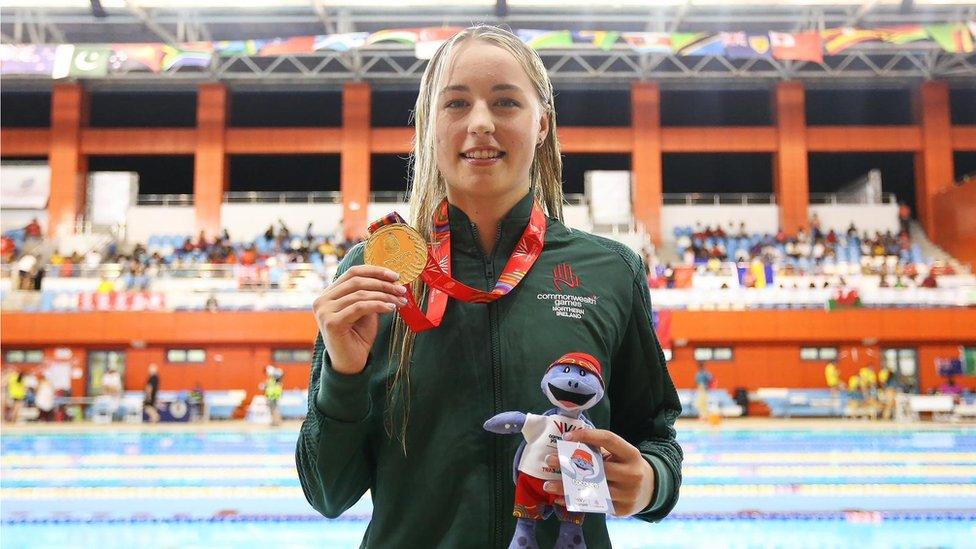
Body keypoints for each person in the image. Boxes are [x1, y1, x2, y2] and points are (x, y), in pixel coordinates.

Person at [296, 26, 681, 548]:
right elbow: (327, 492)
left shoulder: (610, 270)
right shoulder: (375, 276)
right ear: (430, 127)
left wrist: (652, 482)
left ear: (541, 123)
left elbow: (656, 435)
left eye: (505, 102)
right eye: (456, 104)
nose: (480, 123)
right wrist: (343, 374)